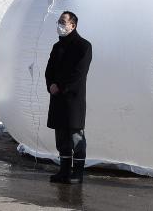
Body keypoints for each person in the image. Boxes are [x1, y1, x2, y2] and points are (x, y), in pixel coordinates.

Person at [45, 11, 92, 184]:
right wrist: (50, 84)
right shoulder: (57, 47)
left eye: (63, 22)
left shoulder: (84, 46)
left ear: (73, 25)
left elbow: (78, 73)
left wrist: (61, 87)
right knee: (61, 137)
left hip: (73, 99)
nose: (60, 24)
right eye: (59, 21)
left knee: (76, 136)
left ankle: (77, 173)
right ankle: (64, 171)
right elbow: (49, 69)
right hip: (57, 98)